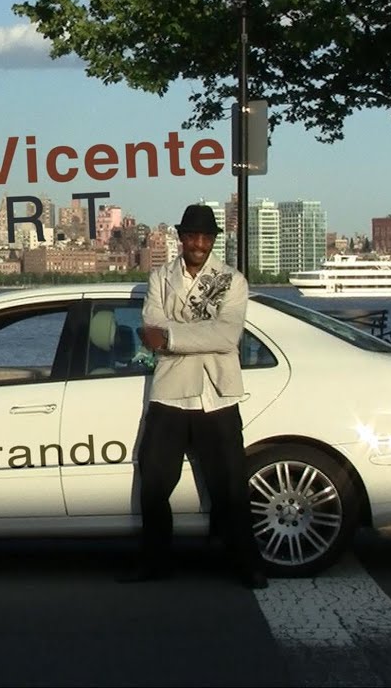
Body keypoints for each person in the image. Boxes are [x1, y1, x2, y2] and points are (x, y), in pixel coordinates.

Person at [117, 203, 267, 590]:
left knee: (231, 486)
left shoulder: (231, 280)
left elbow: (227, 335)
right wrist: (194, 333)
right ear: (181, 238)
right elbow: (151, 325)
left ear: (213, 240)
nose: (199, 243)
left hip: (216, 394)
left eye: (205, 237)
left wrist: (171, 336)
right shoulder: (160, 277)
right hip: (170, 392)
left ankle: (246, 564)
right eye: (192, 236)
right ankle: (155, 561)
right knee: (154, 482)